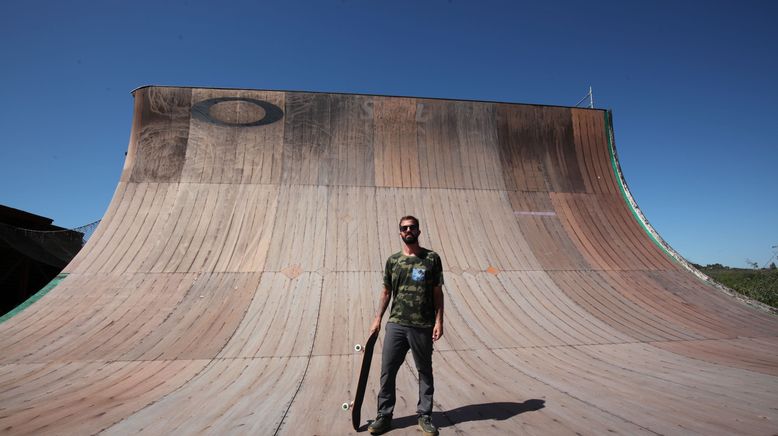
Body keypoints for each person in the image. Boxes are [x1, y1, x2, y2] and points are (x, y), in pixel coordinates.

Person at [367, 216, 445, 436]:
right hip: (397, 325)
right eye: (404, 228)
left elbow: (437, 292)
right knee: (387, 371)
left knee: (424, 371)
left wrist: (439, 321)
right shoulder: (393, 261)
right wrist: (378, 319)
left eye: (412, 227)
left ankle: (425, 416)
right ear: (400, 233)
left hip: (423, 325)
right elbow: (386, 292)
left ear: (418, 231)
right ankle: (384, 416)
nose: (408, 230)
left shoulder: (431, 258)